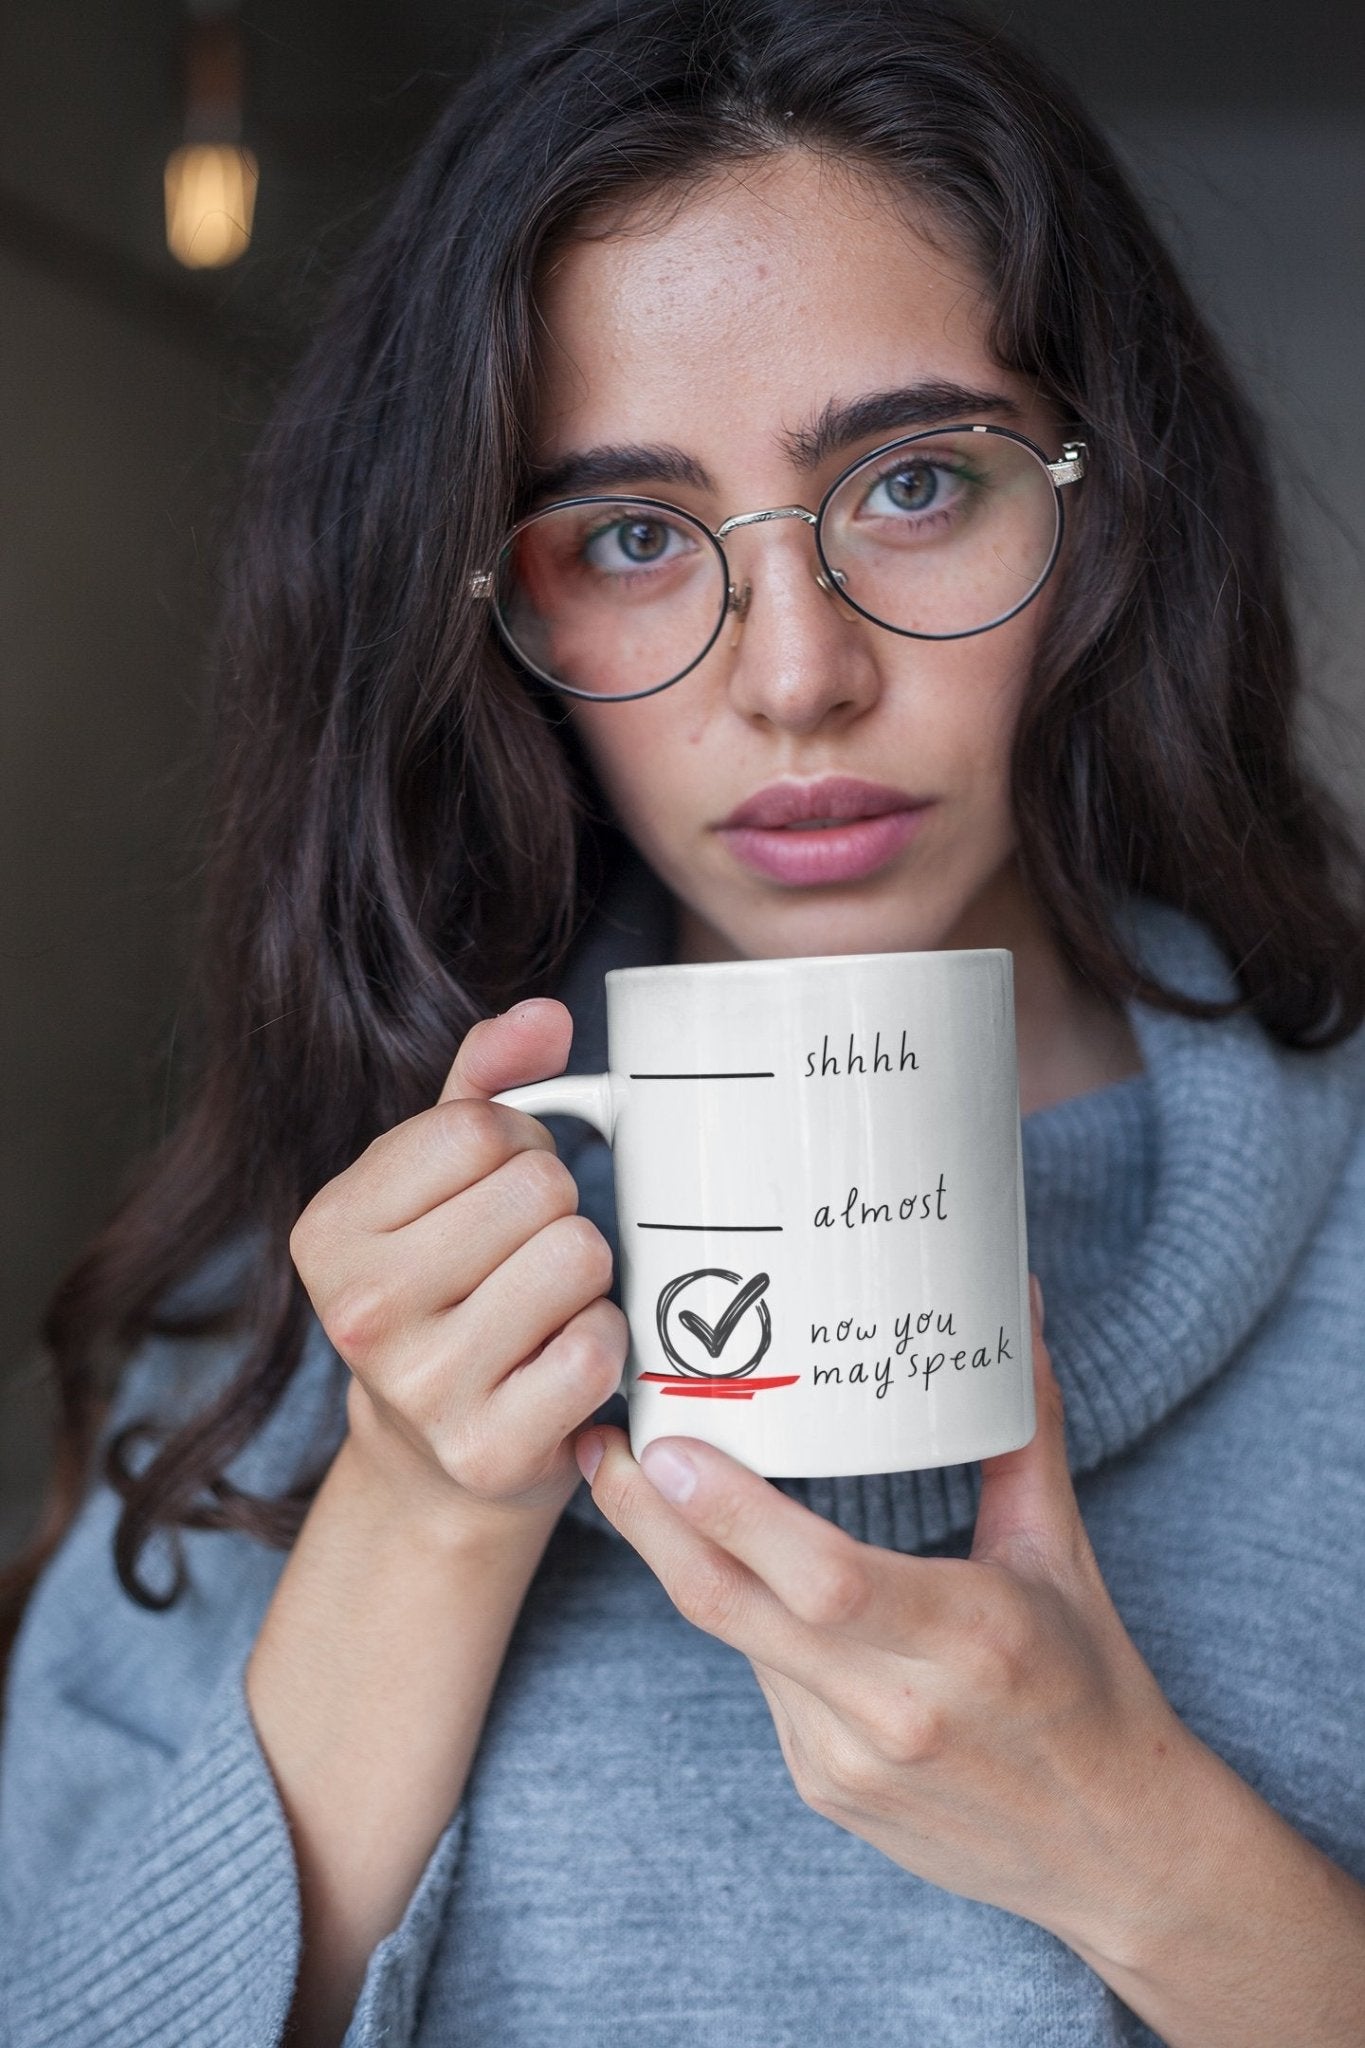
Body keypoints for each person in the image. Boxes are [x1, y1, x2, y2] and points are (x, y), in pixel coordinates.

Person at [3, 0, 1364, 2042]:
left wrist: (1139, 1849)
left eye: (913, 484)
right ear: (496, 615)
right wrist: (415, 1516)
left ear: (1101, 508)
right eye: (631, 539)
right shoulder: (300, 1299)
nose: (793, 673)